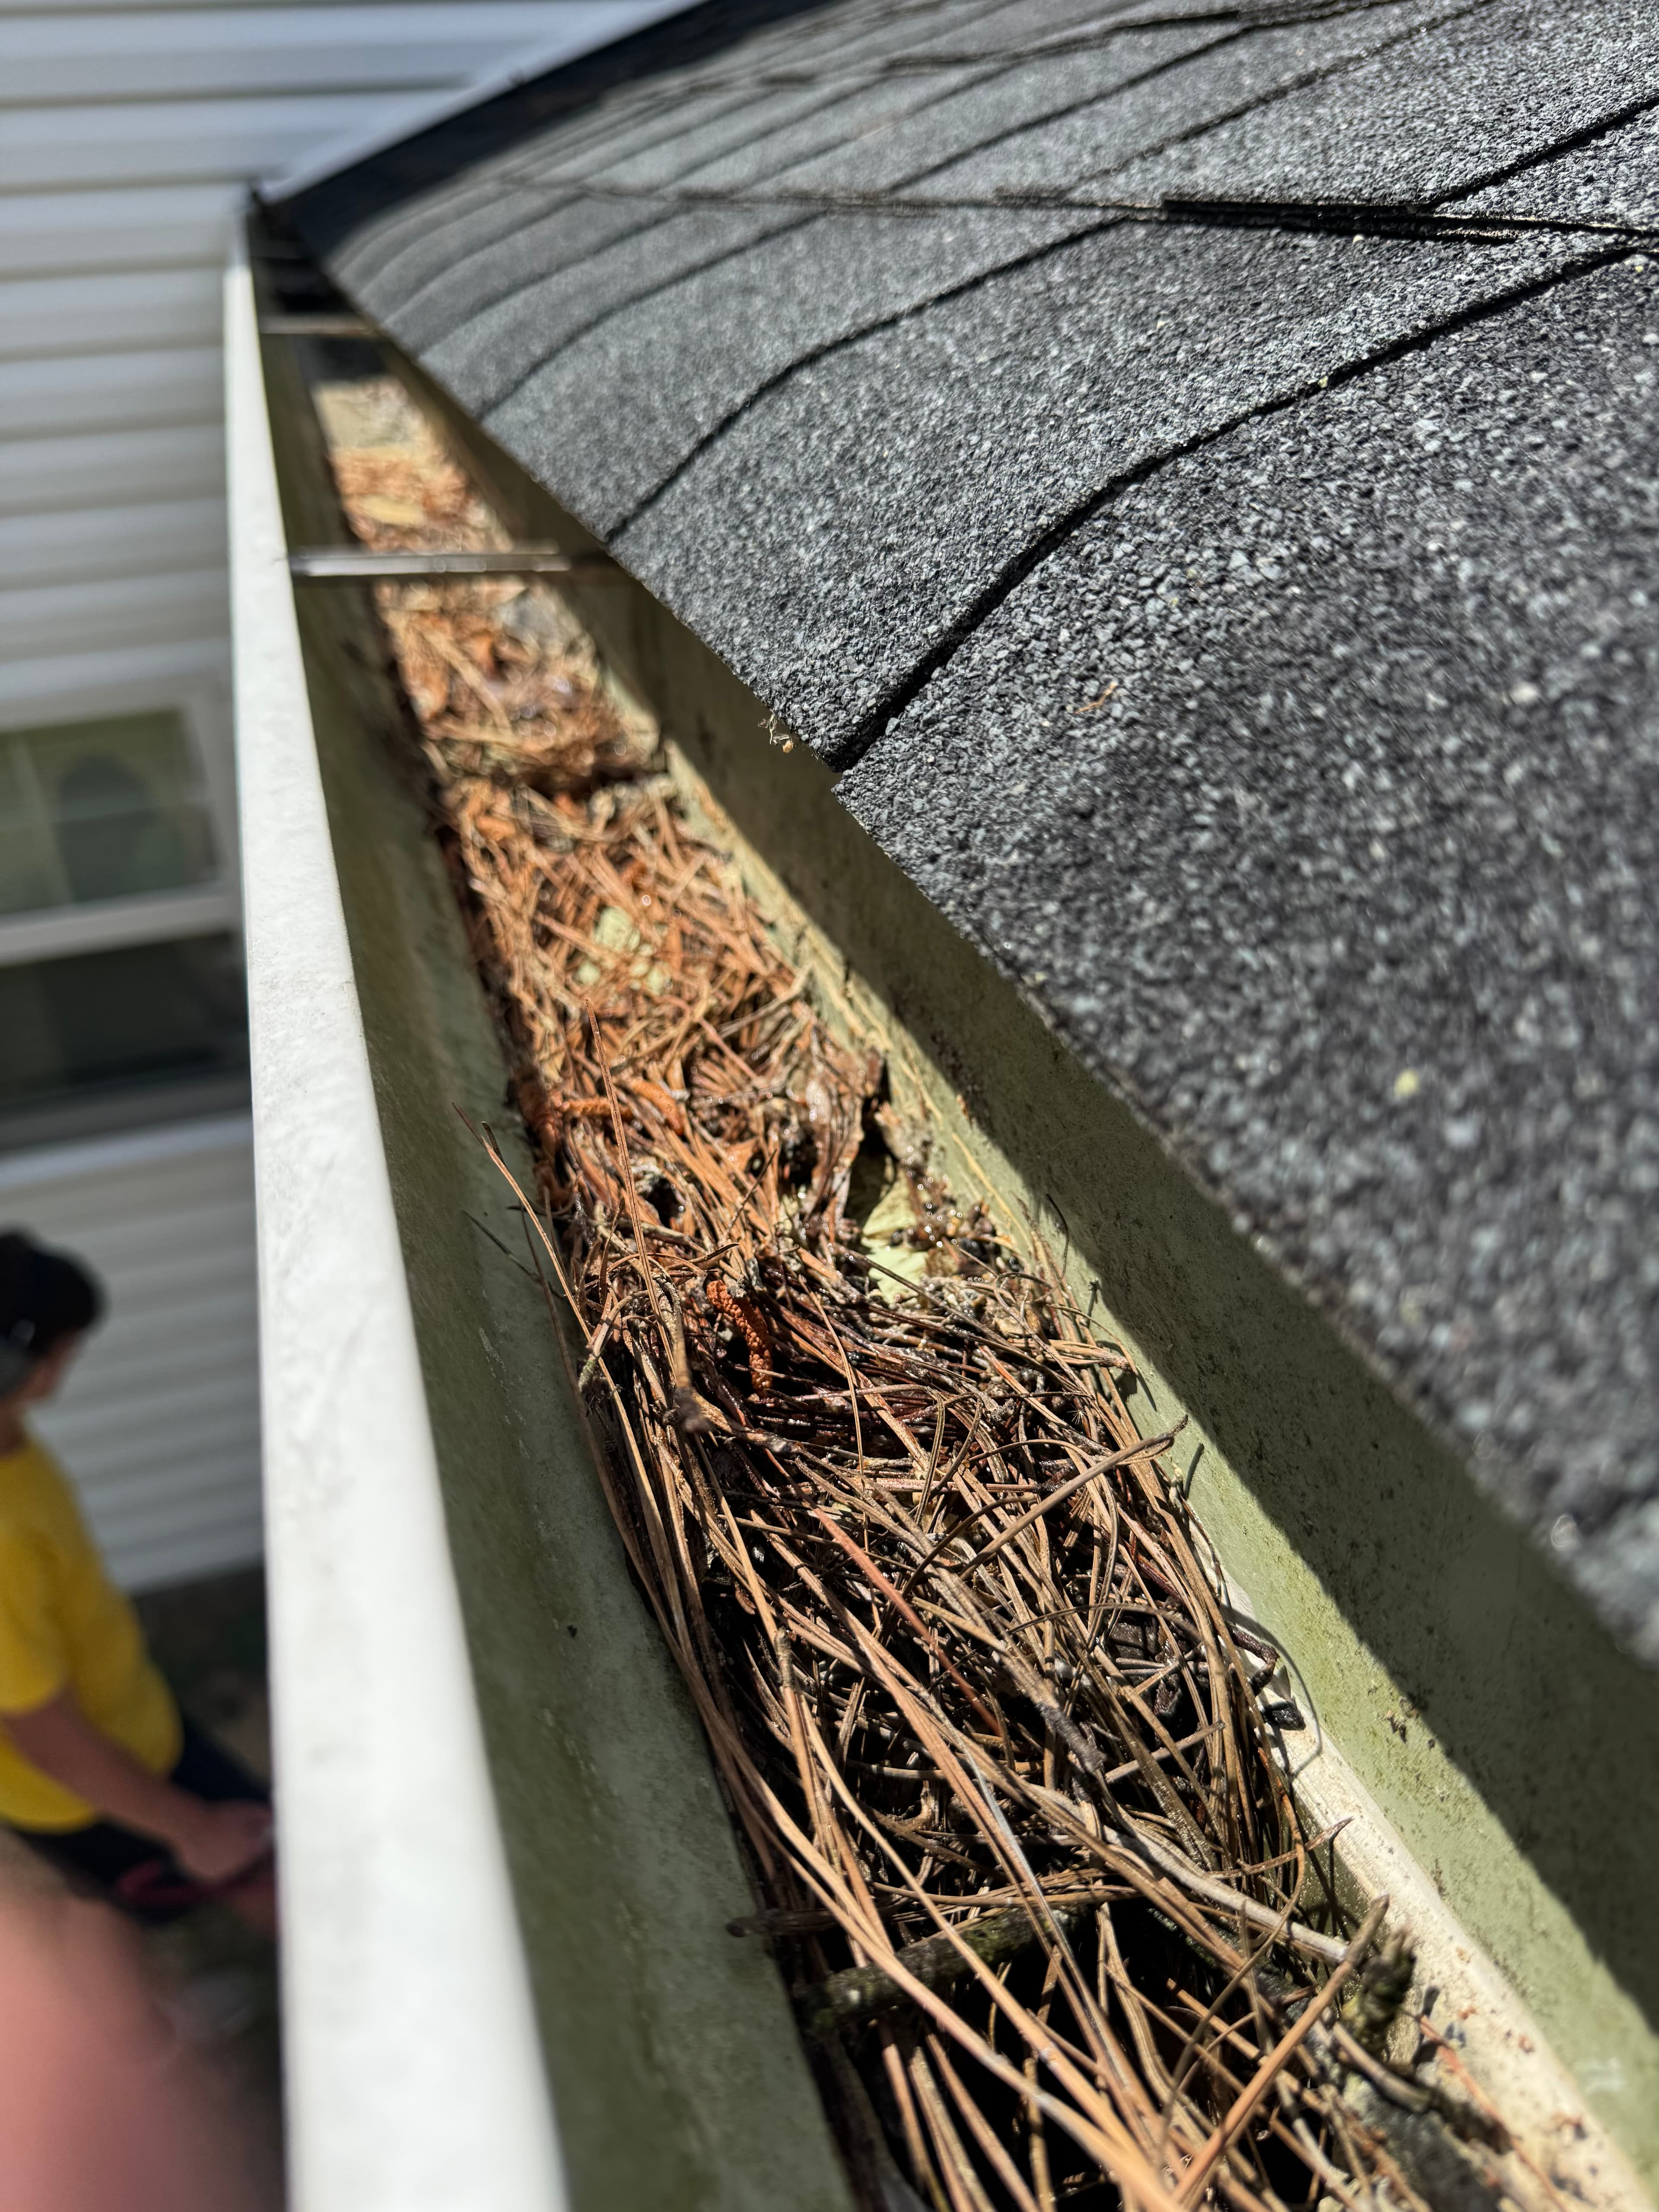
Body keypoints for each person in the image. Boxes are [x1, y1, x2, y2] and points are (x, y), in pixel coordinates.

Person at [0, 1229, 273, 1927]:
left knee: (267, 1854)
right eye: (64, 1350)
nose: (66, 1368)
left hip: (133, 1722)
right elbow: (44, 1735)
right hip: (91, 1790)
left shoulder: (7, 1435)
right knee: (265, 1874)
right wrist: (191, 1830)